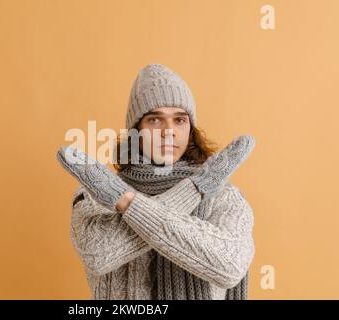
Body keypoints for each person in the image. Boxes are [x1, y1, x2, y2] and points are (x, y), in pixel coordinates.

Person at [56, 63, 256, 300]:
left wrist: (125, 201)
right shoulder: (94, 193)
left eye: (180, 120)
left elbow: (230, 265)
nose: (168, 131)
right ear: (135, 130)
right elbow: (99, 255)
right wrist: (194, 190)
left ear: (190, 129)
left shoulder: (224, 195)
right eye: (155, 120)